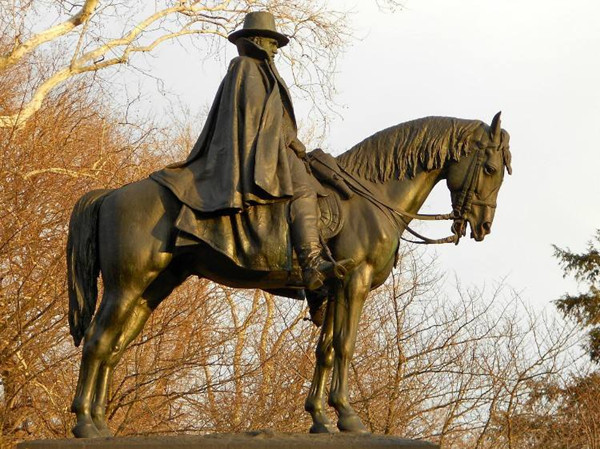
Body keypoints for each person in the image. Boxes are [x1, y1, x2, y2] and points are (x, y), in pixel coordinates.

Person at [151, 11, 340, 290]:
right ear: (256, 40)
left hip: (270, 145)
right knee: (303, 189)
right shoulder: (246, 68)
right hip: (260, 150)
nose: (276, 48)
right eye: (272, 41)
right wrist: (291, 142)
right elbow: (258, 119)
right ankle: (310, 261)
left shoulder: (258, 70)